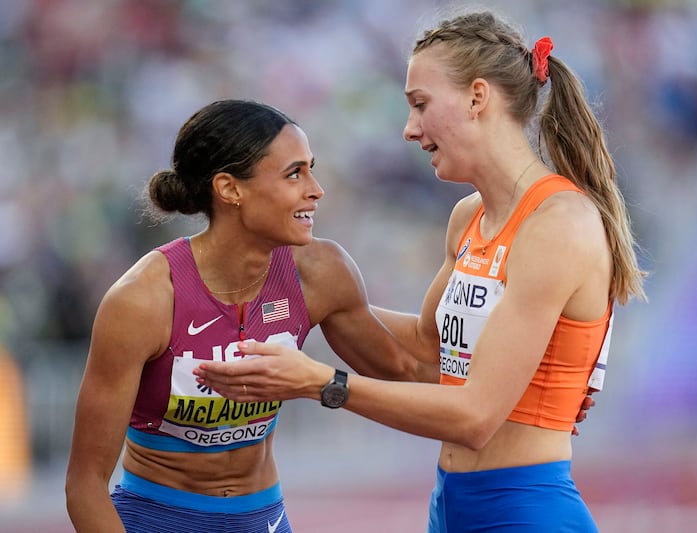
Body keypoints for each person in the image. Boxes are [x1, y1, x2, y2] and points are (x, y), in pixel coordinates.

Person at [194, 9, 647, 533]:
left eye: (419, 105)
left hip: (527, 512)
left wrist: (321, 384)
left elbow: (475, 417)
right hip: (451, 508)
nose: (409, 130)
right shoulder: (469, 218)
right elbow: (424, 355)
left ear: (478, 97)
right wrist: (311, 295)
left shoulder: (558, 224)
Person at [64, 99, 439, 533]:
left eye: (311, 169)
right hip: (155, 516)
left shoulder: (320, 273)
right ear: (230, 189)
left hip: (262, 517)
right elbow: (84, 485)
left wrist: (510, 389)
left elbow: (406, 371)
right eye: (294, 173)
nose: (316, 189)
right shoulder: (142, 300)